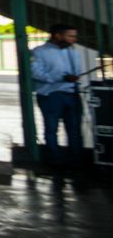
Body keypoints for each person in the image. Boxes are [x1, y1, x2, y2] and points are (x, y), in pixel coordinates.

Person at [31, 24, 83, 166]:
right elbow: (35, 72)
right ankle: (54, 160)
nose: (73, 39)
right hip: (50, 94)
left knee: (74, 129)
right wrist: (58, 77)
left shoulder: (74, 53)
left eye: (74, 36)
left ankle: (76, 159)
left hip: (72, 93)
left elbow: (78, 71)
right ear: (57, 35)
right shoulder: (39, 52)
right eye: (70, 36)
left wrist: (72, 78)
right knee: (51, 128)